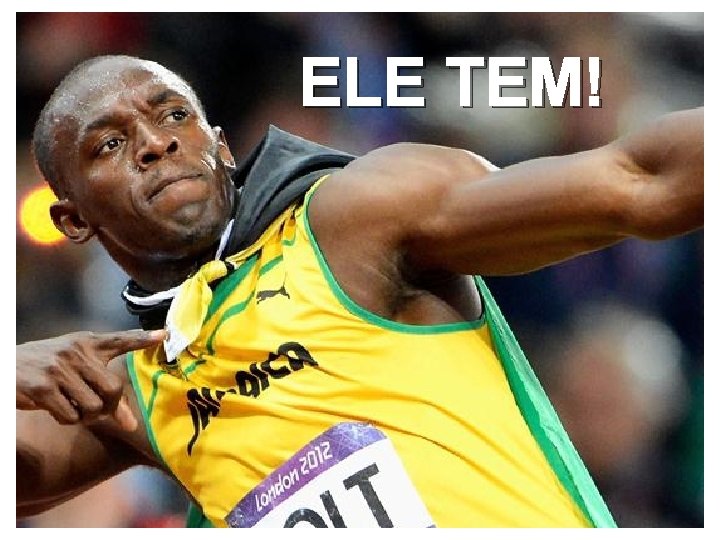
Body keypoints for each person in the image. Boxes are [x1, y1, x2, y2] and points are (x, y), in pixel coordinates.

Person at [16, 54, 703, 528]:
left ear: (222, 148)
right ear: (73, 220)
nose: (155, 144)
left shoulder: (354, 222)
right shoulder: (131, 385)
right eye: (109, 145)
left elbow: (641, 183)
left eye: (172, 116)